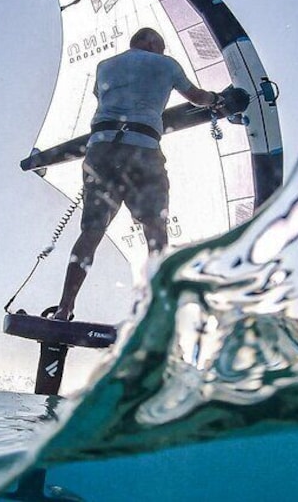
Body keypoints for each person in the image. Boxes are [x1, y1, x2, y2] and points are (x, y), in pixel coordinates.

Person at [54, 27, 222, 320]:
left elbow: (102, 98)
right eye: (160, 46)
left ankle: (64, 307)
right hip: (143, 149)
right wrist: (217, 100)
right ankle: (158, 308)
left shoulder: (104, 66)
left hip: (102, 149)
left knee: (91, 232)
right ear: (152, 43)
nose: (161, 50)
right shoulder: (166, 64)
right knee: (155, 229)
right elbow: (196, 96)